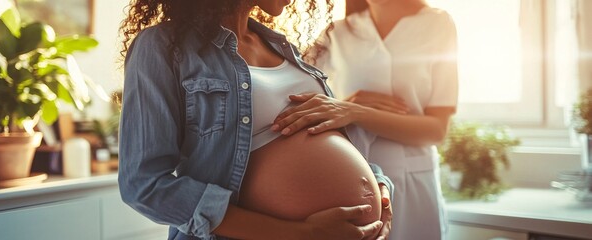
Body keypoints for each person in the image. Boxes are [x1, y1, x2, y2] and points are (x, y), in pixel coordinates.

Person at [117, 0, 394, 239]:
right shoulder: (164, 47)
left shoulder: (285, 49)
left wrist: (378, 187)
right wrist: (299, 234)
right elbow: (145, 185)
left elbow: (329, 139)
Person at [275, 0, 458, 239]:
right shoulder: (335, 32)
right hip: (349, 178)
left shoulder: (437, 23)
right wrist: (346, 104)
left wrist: (356, 112)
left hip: (415, 187)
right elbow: (307, 105)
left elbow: (437, 130)